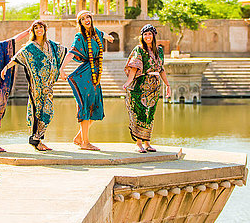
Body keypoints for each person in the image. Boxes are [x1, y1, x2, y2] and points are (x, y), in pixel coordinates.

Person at [0, 20, 67, 151]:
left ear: (45, 30)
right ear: (33, 31)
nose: (39, 30)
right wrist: (5, 68)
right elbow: (17, 57)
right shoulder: (30, 47)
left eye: (41, 27)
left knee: (48, 112)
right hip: (36, 88)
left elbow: (65, 52)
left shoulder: (51, 45)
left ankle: (38, 139)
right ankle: (36, 140)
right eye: (36, 28)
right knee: (38, 112)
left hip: (48, 87)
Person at [60, 10, 114, 151]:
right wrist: (61, 68)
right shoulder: (80, 36)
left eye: (88, 17)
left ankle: (79, 137)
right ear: (80, 22)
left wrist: (108, 37)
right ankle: (85, 142)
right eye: (83, 18)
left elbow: (102, 34)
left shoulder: (96, 33)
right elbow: (72, 52)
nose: (86, 20)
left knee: (96, 107)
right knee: (86, 106)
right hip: (86, 75)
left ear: (91, 18)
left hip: (96, 74)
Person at [122, 24, 170, 153]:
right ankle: (139, 144)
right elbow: (134, 67)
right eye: (145, 34)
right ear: (142, 36)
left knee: (150, 114)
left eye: (149, 34)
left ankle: (147, 143)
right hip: (141, 85)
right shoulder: (139, 49)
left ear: (154, 35)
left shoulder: (159, 51)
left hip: (154, 86)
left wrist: (167, 85)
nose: (147, 36)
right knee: (140, 113)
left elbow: (161, 69)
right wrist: (128, 82)